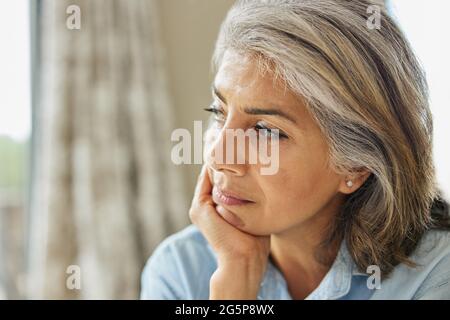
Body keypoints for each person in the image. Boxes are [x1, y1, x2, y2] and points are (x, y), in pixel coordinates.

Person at [141, 0, 450, 299]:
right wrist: (235, 281)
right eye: (218, 113)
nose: (218, 156)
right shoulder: (179, 270)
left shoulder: (435, 275)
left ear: (355, 166)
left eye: (266, 131)